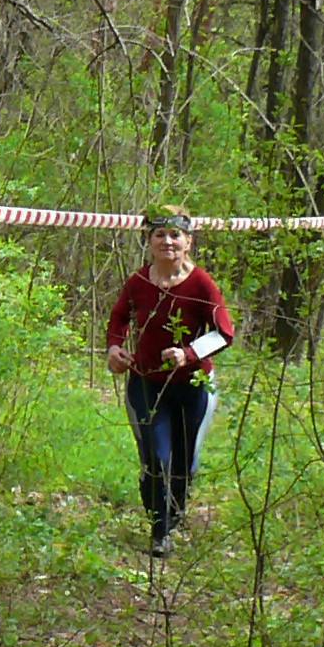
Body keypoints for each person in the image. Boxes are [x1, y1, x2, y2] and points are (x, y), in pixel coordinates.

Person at [103, 206, 232, 555]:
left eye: (175, 235)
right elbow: (118, 316)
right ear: (149, 242)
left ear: (188, 242)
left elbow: (224, 333)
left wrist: (188, 354)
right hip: (146, 383)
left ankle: (173, 516)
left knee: (184, 464)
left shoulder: (202, 284)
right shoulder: (139, 282)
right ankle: (159, 531)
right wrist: (115, 348)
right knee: (156, 459)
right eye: (159, 235)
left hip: (192, 388)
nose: (168, 242)